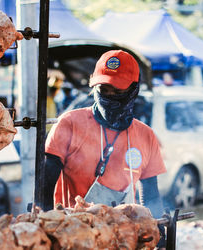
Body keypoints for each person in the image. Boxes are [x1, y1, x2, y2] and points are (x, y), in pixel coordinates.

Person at [44, 50, 167, 249]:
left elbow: (151, 195)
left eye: (118, 92)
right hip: (74, 239)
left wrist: (159, 232)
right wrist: (46, 229)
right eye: (104, 89)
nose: (110, 96)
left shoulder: (146, 136)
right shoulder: (70, 123)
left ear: (134, 90)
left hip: (123, 240)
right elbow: (44, 185)